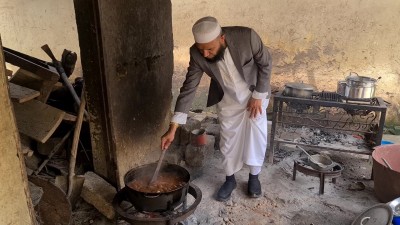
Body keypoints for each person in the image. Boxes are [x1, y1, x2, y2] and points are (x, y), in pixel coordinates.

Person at [161, 16, 272, 202]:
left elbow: (265, 64)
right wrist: (173, 128)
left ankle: (254, 177)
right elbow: (189, 88)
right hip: (227, 99)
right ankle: (230, 180)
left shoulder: (247, 37)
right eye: (201, 49)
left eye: (210, 49)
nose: (205, 54)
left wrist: (258, 96)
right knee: (228, 141)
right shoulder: (197, 54)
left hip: (255, 96)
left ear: (222, 38)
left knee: (256, 135)